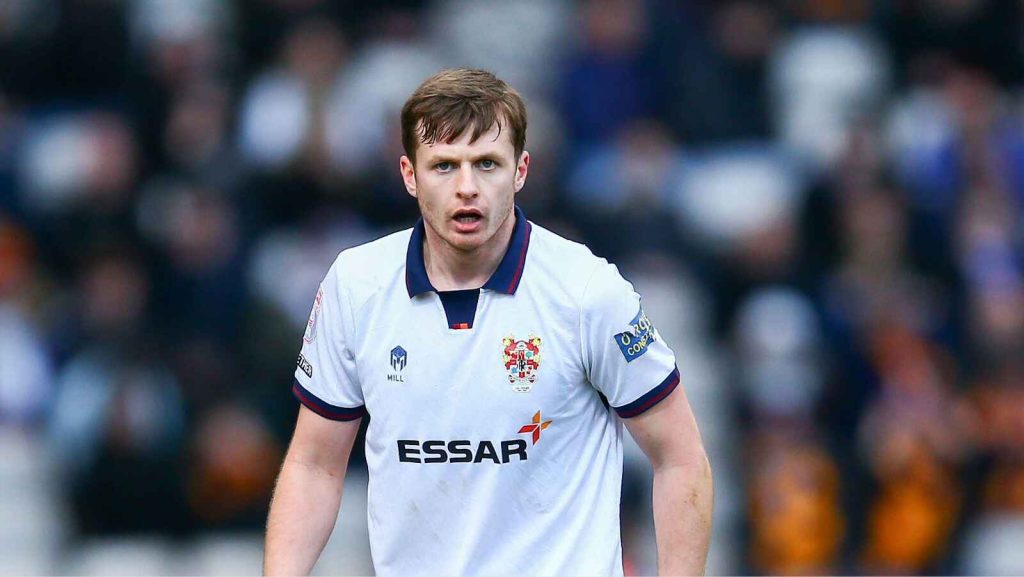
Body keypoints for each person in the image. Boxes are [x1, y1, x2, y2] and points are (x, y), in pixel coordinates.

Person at [263, 68, 713, 576]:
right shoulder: (356, 285)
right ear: (409, 175)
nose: (467, 187)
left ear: (520, 171)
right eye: (445, 166)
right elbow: (315, 466)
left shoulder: (587, 291)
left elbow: (680, 459)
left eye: (487, 164)